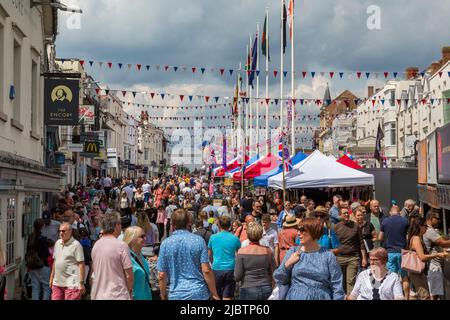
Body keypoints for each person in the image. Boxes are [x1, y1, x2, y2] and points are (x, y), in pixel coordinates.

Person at [273, 218, 345, 300]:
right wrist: (287, 264)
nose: (298, 233)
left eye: (302, 230)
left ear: (313, 232)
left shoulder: (328, 255)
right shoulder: (293, 252)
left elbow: (337, 285)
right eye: (298, 230)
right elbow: (279, 278)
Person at [157, 209, 220, 300]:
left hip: (176, 293)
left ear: (173, 225)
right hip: (198, 292)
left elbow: (162, 274)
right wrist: (214, 293)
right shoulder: (198, 240)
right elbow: (206, 270)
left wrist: (163, 295)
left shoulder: (165, 244)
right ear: (189, 223)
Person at [90, 212, 134, 300]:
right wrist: (129, 292)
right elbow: (129, 275)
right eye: (120, 224)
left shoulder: (96, 245)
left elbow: (94, 272)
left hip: (99, 295)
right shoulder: (121, 245)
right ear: (117, 225)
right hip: (118, 295)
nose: (121, 227)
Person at [407, 219, 447, 300]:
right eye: (425, 226)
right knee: (425, 297)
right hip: (417, 273)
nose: (427, 228)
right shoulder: (416, 239)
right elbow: (422, 257)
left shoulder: (416, 238)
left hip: (419, 273)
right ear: (420, 226)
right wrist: (437, 254)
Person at [234, 222, 275, 300]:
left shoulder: (241, 251)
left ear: (248, 235)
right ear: (260, 235)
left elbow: (237, 276)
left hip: (248, 288)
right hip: (266, 287)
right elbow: (273, 271)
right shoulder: (268, 251)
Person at [333, 208, 367, 295]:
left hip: (353, 257)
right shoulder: (336, 227)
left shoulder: (356, 226)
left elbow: (361, 243)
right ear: (340, 215)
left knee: (350, 281)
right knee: (340, 281)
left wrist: (364, 258)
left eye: (348, 213)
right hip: (339, 257)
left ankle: (350, 296)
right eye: (344, 213)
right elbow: (333, 243)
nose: (347, 215)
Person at [378, 205, 410, 299]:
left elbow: (380, 238)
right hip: (402, 252)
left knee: (391, 277)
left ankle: (392, 297)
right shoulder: (405, 221)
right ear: (399, 212)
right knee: (404, 276)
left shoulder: (385, 221)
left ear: (390, 212)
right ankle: (406, 297)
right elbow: (408, 237)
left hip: (390, 252)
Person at [208, 216, 241, 300]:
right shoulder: (235, 238)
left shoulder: (213, 237)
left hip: (216, 268)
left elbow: (209, 255)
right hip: (230, 269)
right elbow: (239, 254)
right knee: (228, 296)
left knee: (216, 295)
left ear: (219, 225)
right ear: (229, 225)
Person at [49, 223, 85, 300]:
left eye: (63, 231)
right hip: (57, 283)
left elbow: (81, 264)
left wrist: (81, 283)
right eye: (60, 231)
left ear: (70, 231)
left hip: (72, 284)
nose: (61, 233)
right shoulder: (57, 243)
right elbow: (55, 261)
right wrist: (51, 278)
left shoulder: (76, 245)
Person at [422, 211, 450, 300]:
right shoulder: (429, 231)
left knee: (435, 291)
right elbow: (443, 243)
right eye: (437, 219)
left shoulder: (429, 229)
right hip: (434, 265)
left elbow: (440, 239)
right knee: (435, 293)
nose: (439, 221)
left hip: (433, 264)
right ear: (430, 219)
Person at [123, 226, 152, 300]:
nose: (145, 238)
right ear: (132, 239)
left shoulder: (140, 254)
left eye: (145, 236)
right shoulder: (127, 257)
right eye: (142, 236)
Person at [26, 219, 52, 300]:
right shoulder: (43, 239)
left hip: (32, 265)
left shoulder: (31, 237)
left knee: (35, 288)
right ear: (42, 227)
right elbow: (47, 253)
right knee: (46, 288)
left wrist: (27, 264)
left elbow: (27, 251)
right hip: (43, 265)